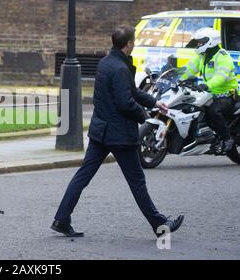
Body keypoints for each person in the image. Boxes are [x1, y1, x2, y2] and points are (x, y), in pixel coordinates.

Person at [51, 25, 184, 238]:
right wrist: (144, 116)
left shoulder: (106, 62)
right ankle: (161, 225)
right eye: (133, 41)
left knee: (82, 177)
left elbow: (131, 91)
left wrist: (155, 102)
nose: (135, 44)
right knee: (137, 182)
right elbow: (125, 102)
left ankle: (61, 219)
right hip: (120, 135)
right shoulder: (121, 68)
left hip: (100, 132)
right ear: (128, 44)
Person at [183, 27, 238, 154]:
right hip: (210, 94)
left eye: (201, 42)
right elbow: (188, 69)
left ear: (211, 41)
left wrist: (207, 85)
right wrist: (176, 75)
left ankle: (227, 138)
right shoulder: (203, 56)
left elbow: (221, 77)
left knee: (214, 111)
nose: (199, 44)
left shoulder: (223, 57)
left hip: (227, 94)